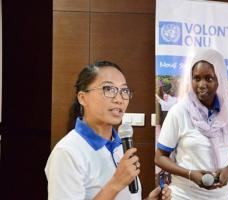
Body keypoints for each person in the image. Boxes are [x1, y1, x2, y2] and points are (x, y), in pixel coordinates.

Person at [45, 61, 171, 200]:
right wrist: (115, 184)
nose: (119, 99)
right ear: (83, 98)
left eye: (124, 91)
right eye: (109, 89)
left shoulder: (120, 145)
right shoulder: (67, 152)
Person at [155, 49, 228, 200]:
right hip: (185, 196)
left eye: (209, 78)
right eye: (196, 78)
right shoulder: (179, 112)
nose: (201, 85)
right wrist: (190, 175)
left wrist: (227, 172)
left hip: (223, 196)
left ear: (220, 80)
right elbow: (159, 157)